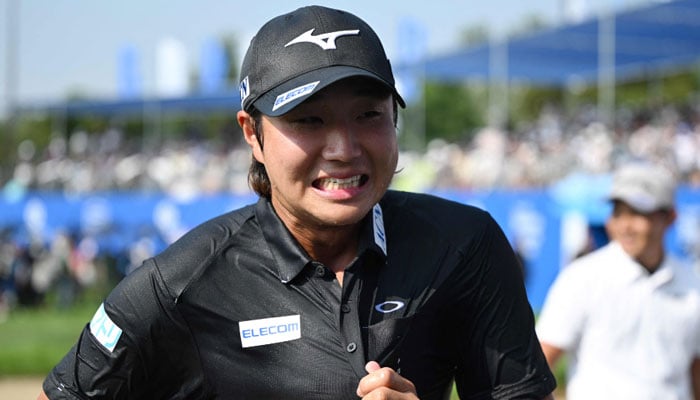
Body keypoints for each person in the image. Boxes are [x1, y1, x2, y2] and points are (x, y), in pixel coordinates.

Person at [39, 6, 555, 399]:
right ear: (253, 134)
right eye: (309, 120)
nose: (344, 148)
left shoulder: (466, 246)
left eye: (369, 115)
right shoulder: (179, 282)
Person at [537, 162, 700, 399]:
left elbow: (695, 373)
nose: (625, 225)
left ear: (670, 218)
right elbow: (539, 364)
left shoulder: (692, 283)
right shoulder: (582, 278)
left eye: (638, 213)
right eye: (618, 212)